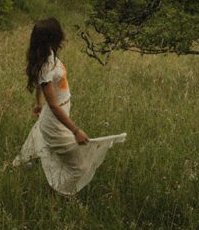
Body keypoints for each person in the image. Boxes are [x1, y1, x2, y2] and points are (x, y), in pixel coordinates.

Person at [13, 17, 126, 195]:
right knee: (79, 168)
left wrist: (38, 103)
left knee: (54, 153)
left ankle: (40, 177)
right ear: (53, 36)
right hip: (55, 122)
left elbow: (42, 86)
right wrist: (76, 131)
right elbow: (54, 104)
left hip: (54, 115)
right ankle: (58, 196)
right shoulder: (45, 66)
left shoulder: (47, 53)